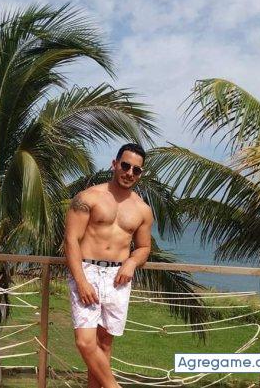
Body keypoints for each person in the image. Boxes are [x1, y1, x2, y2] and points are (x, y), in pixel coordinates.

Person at [64, 143, 154, 388]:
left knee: (103, 345)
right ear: (114, 164)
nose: (129, 173)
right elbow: (71, 240)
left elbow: (144, 247)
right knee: (85, 342)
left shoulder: (142, 210)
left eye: (136, 170)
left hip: (118, 277)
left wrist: (132, 262)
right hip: (87, 271)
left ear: (141, 174)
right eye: (125, 166)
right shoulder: (87, 198)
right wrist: (81, 281)